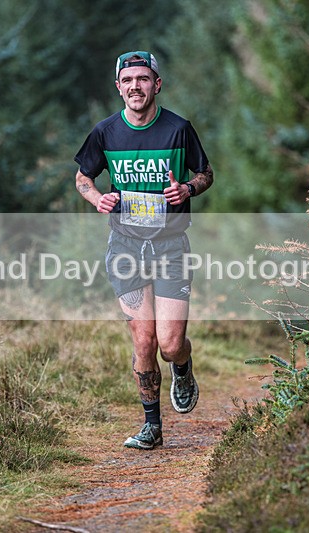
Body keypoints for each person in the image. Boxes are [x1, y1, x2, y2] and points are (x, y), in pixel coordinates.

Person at [74, 51, 214, 450]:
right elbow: (83, 176)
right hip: (126, 247)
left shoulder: (178, 129)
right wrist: (96, 198)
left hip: (171, 245)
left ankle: (183, 368)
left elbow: (206, 173)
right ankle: (152, 426)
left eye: (143, 78)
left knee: (170, 345)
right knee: (144, 341)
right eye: (128, 80)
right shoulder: (105, 132)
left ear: (157, 84)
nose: (136, 86)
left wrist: (187, 188)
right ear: (118, 87)